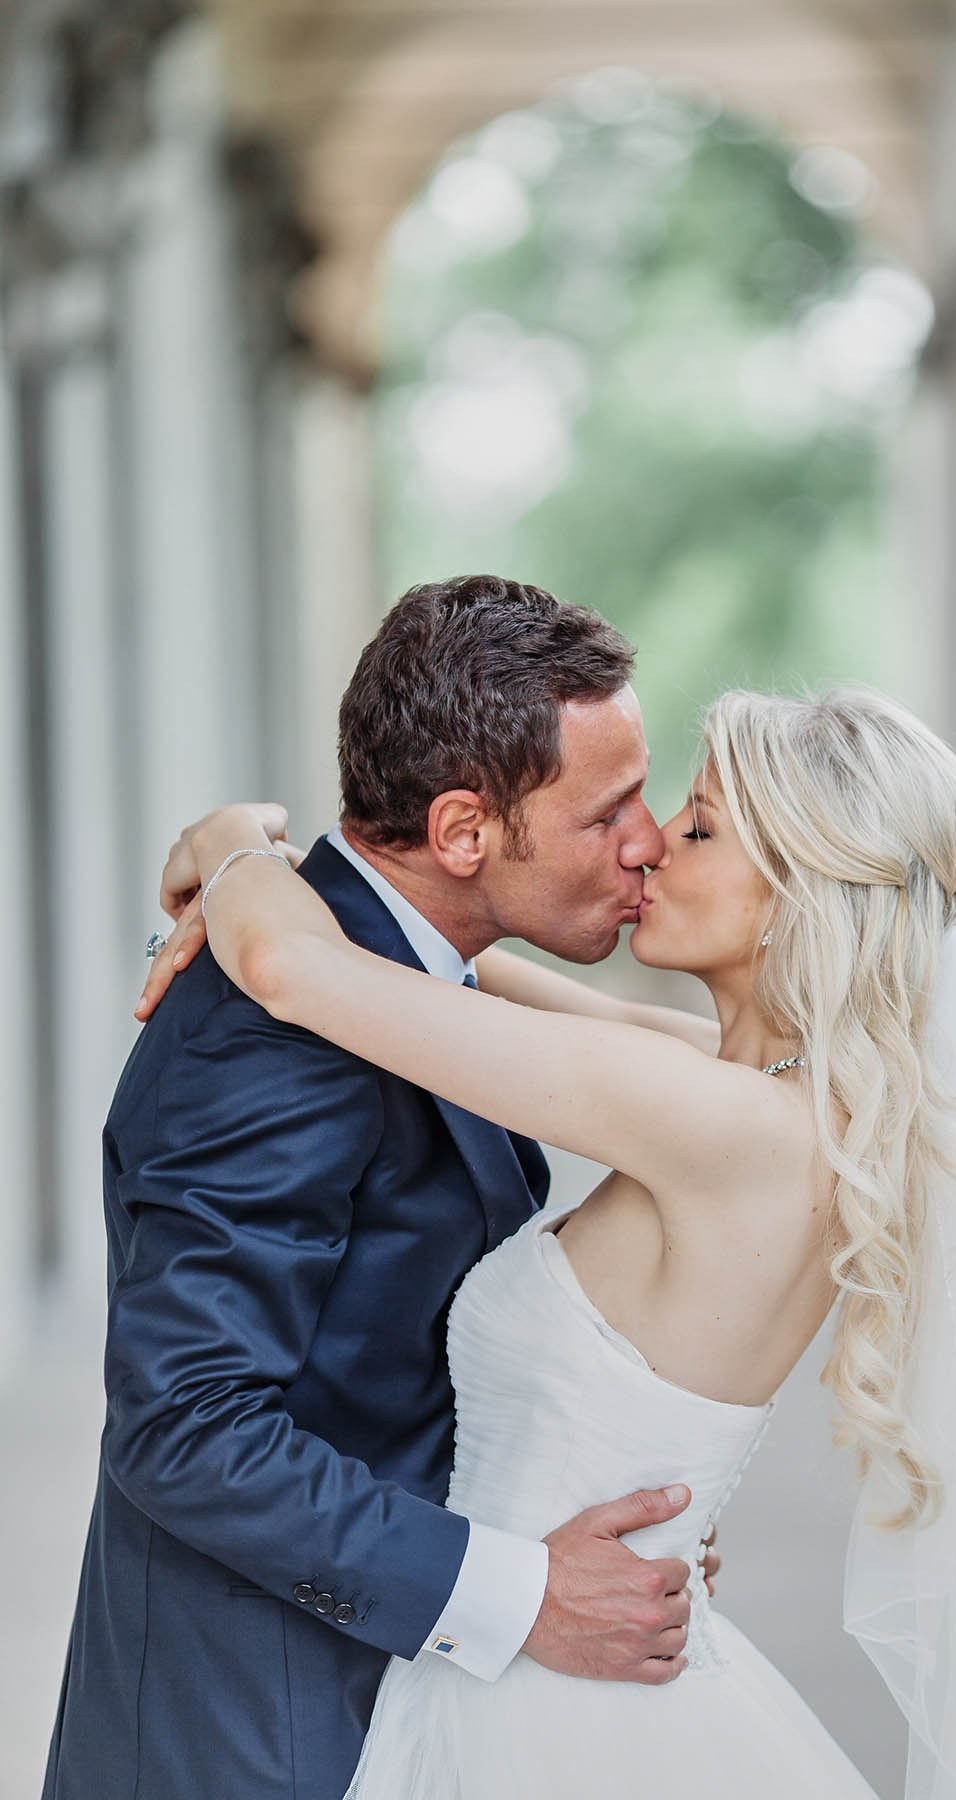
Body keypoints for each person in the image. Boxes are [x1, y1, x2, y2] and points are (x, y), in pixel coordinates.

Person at [141, 680, 956, 1799]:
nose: (649, 847)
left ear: (797, 894)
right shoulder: (761, 1091)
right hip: (561, 1653)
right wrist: (313, 873)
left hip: (557, 1706)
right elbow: (443, 965)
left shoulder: (715, 1119)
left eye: (700, 827)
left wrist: (230, 841)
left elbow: (299, 974)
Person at [43, 577, 726, 1800]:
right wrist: (528, 1595)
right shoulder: (273, 1035)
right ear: (465, 832)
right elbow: (185, 1427)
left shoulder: (409, 984)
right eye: (610, 806)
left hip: (396, 1709)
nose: (649, 840)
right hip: (258, 1736)